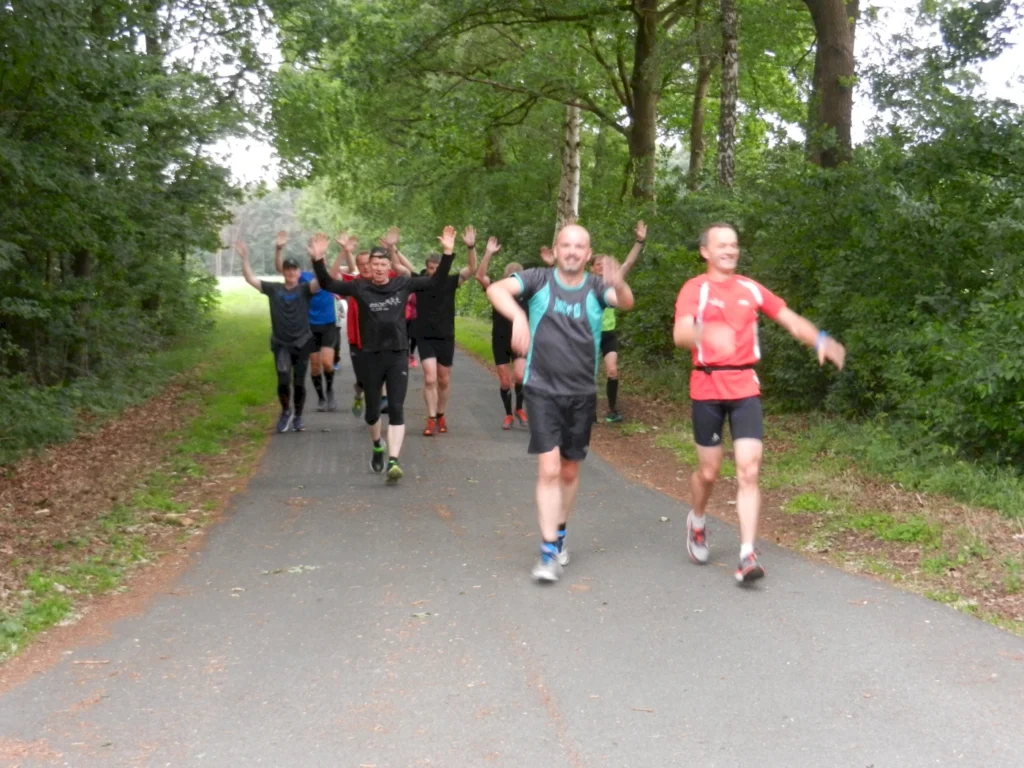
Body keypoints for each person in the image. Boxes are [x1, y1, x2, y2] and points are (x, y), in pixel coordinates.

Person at [673, 222, 846, 583]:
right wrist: (709, 332)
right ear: (705, 251)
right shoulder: (695, 289)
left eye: (734, 244)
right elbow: (681, 333)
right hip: (706, 385)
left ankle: (746, 554)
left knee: (749, 470)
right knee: (708, 472)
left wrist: (821, 340)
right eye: (722, 245)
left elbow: (789, 319)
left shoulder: (750, 288)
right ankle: (698, 519)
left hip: (744, 386)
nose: (730, 250)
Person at [486, 223, 635, 583]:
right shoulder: (537, 279)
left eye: (579, 246)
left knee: (569, 470)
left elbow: (626, 303)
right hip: (541, 389)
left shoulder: (598, 287)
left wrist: (619, 281)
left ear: (587, 253)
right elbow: (495, 288)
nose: (571, 251)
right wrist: (519, 316)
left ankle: (561, 531)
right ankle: (548, 549)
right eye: (566, 244)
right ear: (556, 249)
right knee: (549, 469)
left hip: (581, 392)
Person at [311, 228, 458, 483]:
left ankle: (394, 460)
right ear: (369, 266)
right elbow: (328, 284)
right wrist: (318, 260)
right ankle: (378, 445)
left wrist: (447, 253)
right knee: (372, 413)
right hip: (370, 356)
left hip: (398, 354)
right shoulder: (360, 287)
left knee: (397, 408)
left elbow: (435, 282)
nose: (378, 268)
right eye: (374, 264)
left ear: (390, 265)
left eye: (382, 264)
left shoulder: (403, 283)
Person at [236, 239, 320, 434]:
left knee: (298, 382)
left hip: (302, 342)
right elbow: (251, 279)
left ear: (299, 273)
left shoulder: (305, 290)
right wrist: (245, 258)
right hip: (281, 343)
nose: (291, 272)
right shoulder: (274, 289)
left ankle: (298, 416)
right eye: (287, 269)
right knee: (283, 379)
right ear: (283, 271)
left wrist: (318, 258)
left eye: (294, 269)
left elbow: (324, 279)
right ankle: (285, 412)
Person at [337, 231, 411, 418]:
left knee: (382, 374)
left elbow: (406, 272)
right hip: (357, 339)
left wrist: (392, 249)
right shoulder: (355, 284)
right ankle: (360, 393)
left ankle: (381, 399)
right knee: (363, 380)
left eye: (371, 264)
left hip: (378, 342)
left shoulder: (386, 280)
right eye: (362, 264)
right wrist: (344, 252)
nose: (369, 268)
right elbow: (334, 277)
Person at [412, 226, 478, 436]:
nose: (433, 271)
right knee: (430, 379)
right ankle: (430, 418)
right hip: (425, 336)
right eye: (430, 268)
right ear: (427, 268)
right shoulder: (421, 283)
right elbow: (401, 267)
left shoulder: (451, 281)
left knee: (443, 380)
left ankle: (441, 414)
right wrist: (393, 250)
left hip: (445, 337)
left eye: (436, 267)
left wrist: (470, 247)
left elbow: (472, 268)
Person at [274, 231, 345, 412]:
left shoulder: (329, 276)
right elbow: (281, 270)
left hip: (328, 325)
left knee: (328, 363)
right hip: (309, 327)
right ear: (310, 255)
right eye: (317, 254)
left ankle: (329, 391)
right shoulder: (304, 277)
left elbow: (336, 270)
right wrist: (279, 250)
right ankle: (321, 398)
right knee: (315, 366)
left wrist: (343, 250)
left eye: (324, 255)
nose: (321, 257)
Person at [589, 221, 647, 423]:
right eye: (598, 265)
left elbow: (627, 264)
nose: (602, 268)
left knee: (612, 370)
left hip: (608, 333)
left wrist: (640, 241)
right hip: (588, 334)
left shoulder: (611, 281)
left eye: (605, 265)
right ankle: (588, 410)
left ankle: (612, 410)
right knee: (589, 374)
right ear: (591, 268)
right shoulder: (584, 283)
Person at [474, 236, 528, 430]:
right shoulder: (497, 289)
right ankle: (508, 414)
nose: (513, 277)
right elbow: (480, 276)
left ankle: (519, 408)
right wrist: (488, 253)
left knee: (520, 376)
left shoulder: (528, 292)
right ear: (505, 275)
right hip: (500, 339)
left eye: (517, 275)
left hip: (520, 340)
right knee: (505, 381)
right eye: (510, 274)